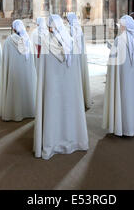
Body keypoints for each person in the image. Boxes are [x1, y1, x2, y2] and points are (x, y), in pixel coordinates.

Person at [34, 14, 89, 160]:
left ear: (51, 26)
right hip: (71, 89)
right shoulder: (71, 42)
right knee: (70, 112)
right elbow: (76, 68)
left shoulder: (46, 42)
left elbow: (42, 68)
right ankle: (74, 140)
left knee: (53, 111)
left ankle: (53, 142)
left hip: (52, 89)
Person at [103, 15, 134, 137]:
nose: (120, 27)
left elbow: (114, 61)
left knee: (123, 98)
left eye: (121, 25)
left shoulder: (120, 40)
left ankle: (123, 127)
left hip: (123, 78)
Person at [0, 20, 36, 122]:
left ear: (13, 29)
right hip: (26, 73)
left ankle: (13, 113)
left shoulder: (9, 41)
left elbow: (5, 59)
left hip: (13, 72)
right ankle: (28, 110)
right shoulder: (27, 40)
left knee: (14, 90)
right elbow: (32, 59)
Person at [67, 13, 92, 109]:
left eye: (68, 19)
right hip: (80, 55)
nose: (67, 20)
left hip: (76, 55)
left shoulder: (73, 29)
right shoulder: (78, 27)